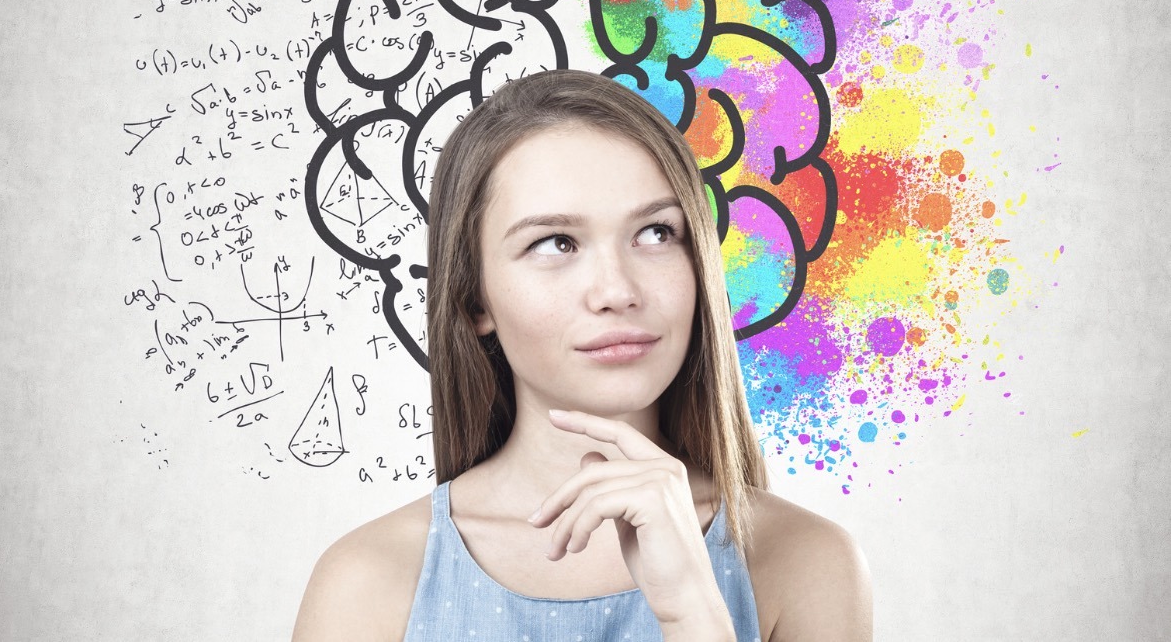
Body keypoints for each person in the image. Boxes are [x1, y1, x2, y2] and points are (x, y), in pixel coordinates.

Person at [292, 69, 872, 641]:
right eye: (555, 243)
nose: (617, 291)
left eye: (656, 233)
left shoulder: (805, 561)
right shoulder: (367, 581)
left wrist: (692, 610)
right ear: (474, 299)